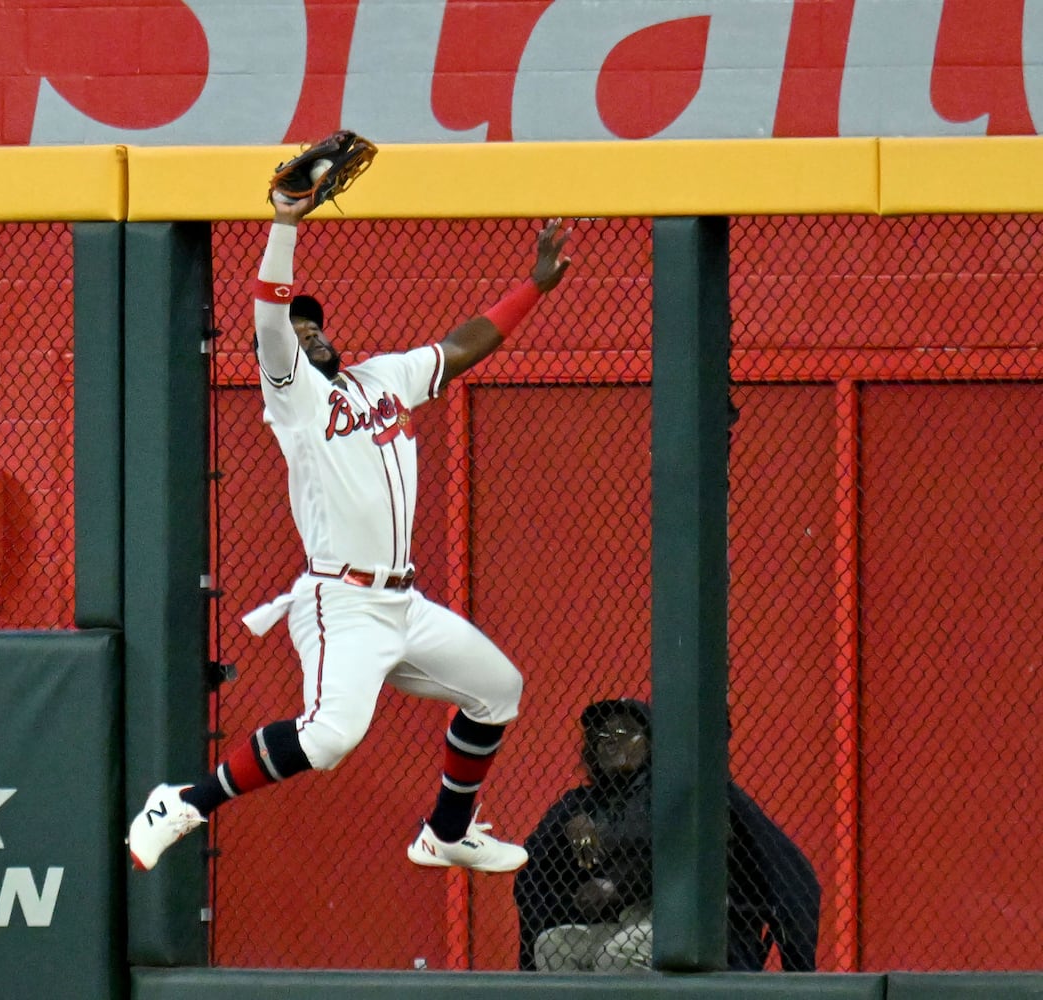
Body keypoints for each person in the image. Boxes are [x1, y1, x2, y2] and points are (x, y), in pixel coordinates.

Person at [126, 186, 572, 874]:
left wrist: (534, 287)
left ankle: (446, 833)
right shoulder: (294, 395)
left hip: (403, 602)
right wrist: (284, 224)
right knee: (331, 739)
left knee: (498, 689)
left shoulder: (385, 377)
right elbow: (271, 323)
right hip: (342, 601)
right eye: (299, 334)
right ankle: (184, 802)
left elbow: (460, 348)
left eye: (315, 327)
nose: (309, 334)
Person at [514, 698, 821, 972]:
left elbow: (678, 852)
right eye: (601, 736)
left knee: (616, 954)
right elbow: (532, 869)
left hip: (688, 922)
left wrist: (616, 884)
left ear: (649, 742)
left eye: (624, 733)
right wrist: (570, 825)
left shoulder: (678, 789)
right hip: (626, 920)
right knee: (553, 945)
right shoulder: (582, 803)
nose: (610, 742)